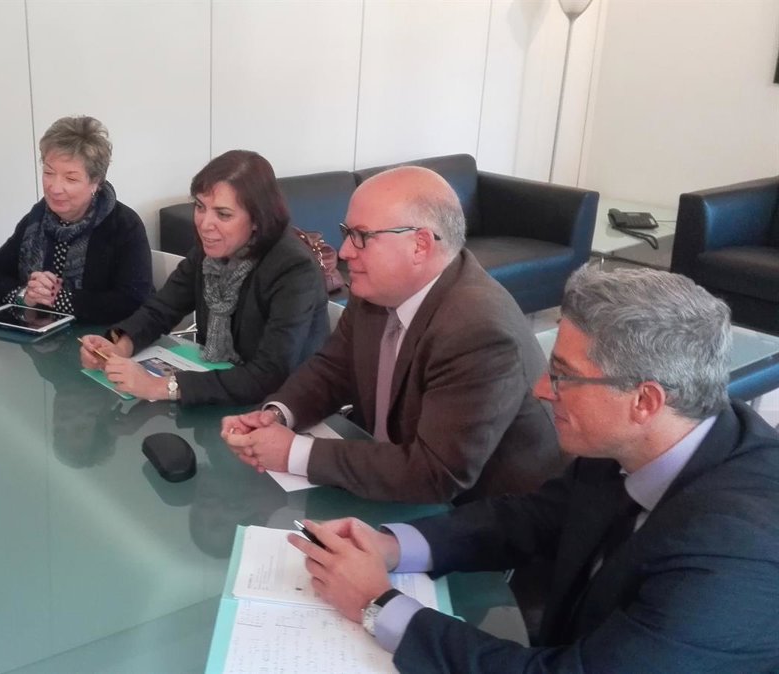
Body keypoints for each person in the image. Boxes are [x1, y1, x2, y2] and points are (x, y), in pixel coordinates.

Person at [290, 265, 779, 672]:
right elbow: (532, 517)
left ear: (644, 400)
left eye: (564, 376)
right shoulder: (650, 437)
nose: (542, 390)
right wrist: (392, 546)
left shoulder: (733, 554)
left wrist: (379, 606)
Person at [222, 166, 561, 503]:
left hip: (483, 513)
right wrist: (278, 414)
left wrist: (294, 453)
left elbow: (435, 472)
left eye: (361, 236)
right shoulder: (377, 289)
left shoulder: (478, 332)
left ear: (420, 245)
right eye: (346, 232)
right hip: (386, 480)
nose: (344, 251)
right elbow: (333, 369)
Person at [79, 150, 329, 406]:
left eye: (223, 214)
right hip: (221, 388)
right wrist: (118, 346)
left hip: (285, 405)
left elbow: (269, 374)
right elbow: (161, 309)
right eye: (200, 207)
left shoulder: (293, 268)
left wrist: (160, 386)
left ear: (257, 219)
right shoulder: (211, 250)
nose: (205, 224)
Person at [0, 115, 151, 324]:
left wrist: (59, 299)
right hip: (38, 337)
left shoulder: (124, 225)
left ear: (96, 182)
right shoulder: (37, 219)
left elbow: (133, 301)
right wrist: (26, 296)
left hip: (101, 337)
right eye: (48, 172)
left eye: (71, 178)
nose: (55, 188)